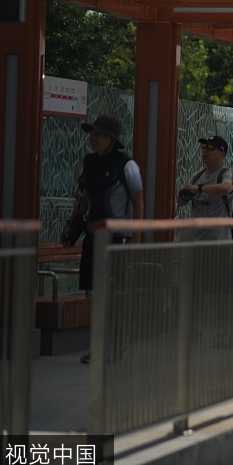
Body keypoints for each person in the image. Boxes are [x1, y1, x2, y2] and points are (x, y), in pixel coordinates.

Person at [62, 115, 144, 365]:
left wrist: (135, 237)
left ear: (112, 139)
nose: (93, 138)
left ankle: (117, 343)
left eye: (99, 134)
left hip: (117, 237)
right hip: (93, 236)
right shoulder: (90, 162)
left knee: (115, 294)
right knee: (97, 294)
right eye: (91, 133)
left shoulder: (127, 165)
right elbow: (85, 195)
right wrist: (72, 221)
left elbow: (138, 201)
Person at [177, 135, 233, 240]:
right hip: (195, 240)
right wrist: (184, 194)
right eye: (204, 146)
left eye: (210, 148)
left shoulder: (225, 174)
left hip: (217, 241)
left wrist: (199, 189)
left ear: (222, 154)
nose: (205, 150)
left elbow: (227, 188)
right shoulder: (197, 176)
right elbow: (180, 203)